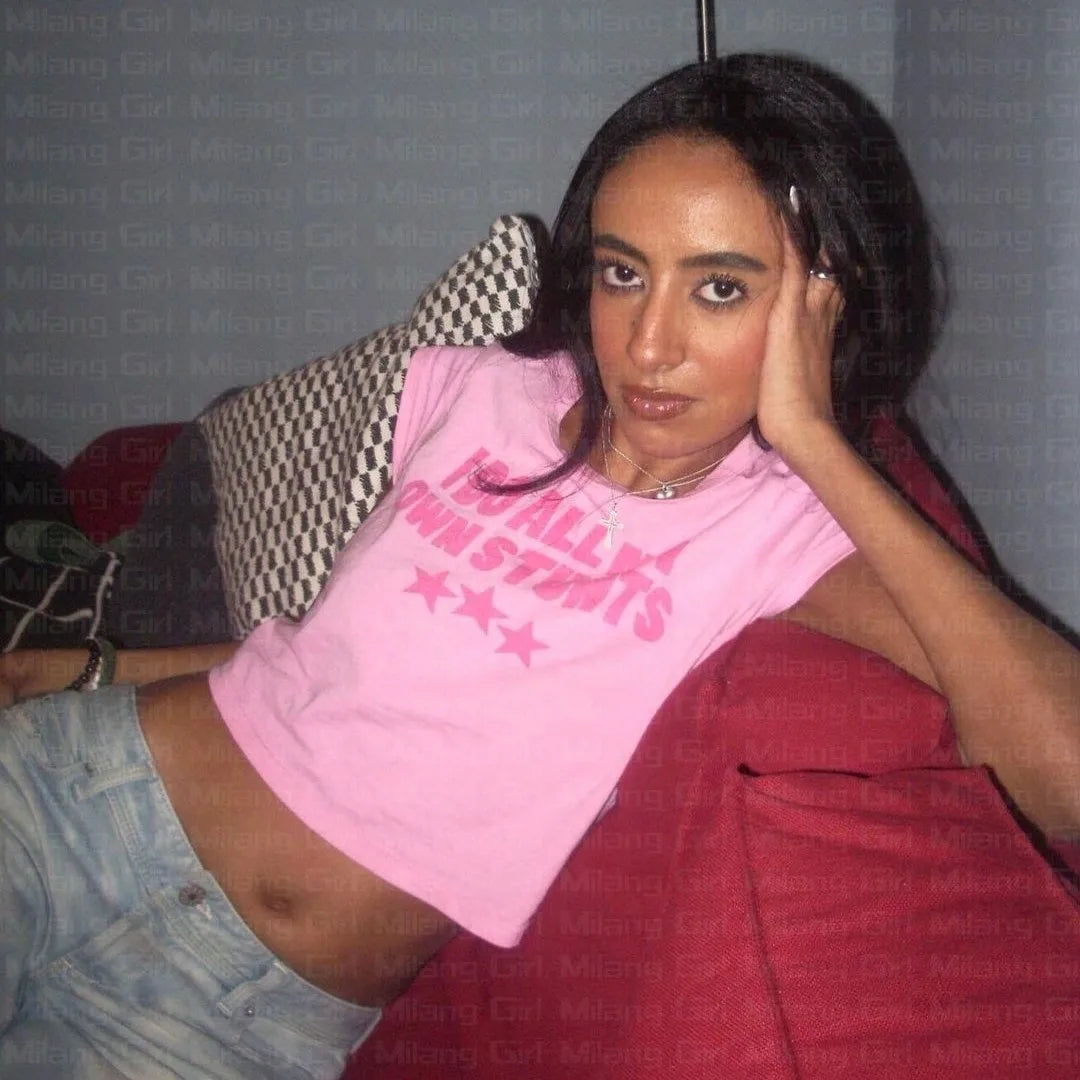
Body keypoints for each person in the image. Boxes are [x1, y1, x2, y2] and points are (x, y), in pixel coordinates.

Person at [2, 52, 1079, 1080]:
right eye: (623, 273)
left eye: (719, 289)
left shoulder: (791, 530)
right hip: (66, 793)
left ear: (823, 302)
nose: (647, 345)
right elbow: (324, 660)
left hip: (231, 1011)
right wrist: (94, 666)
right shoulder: (481, 392)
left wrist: (814, 439)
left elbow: (1065, 778)